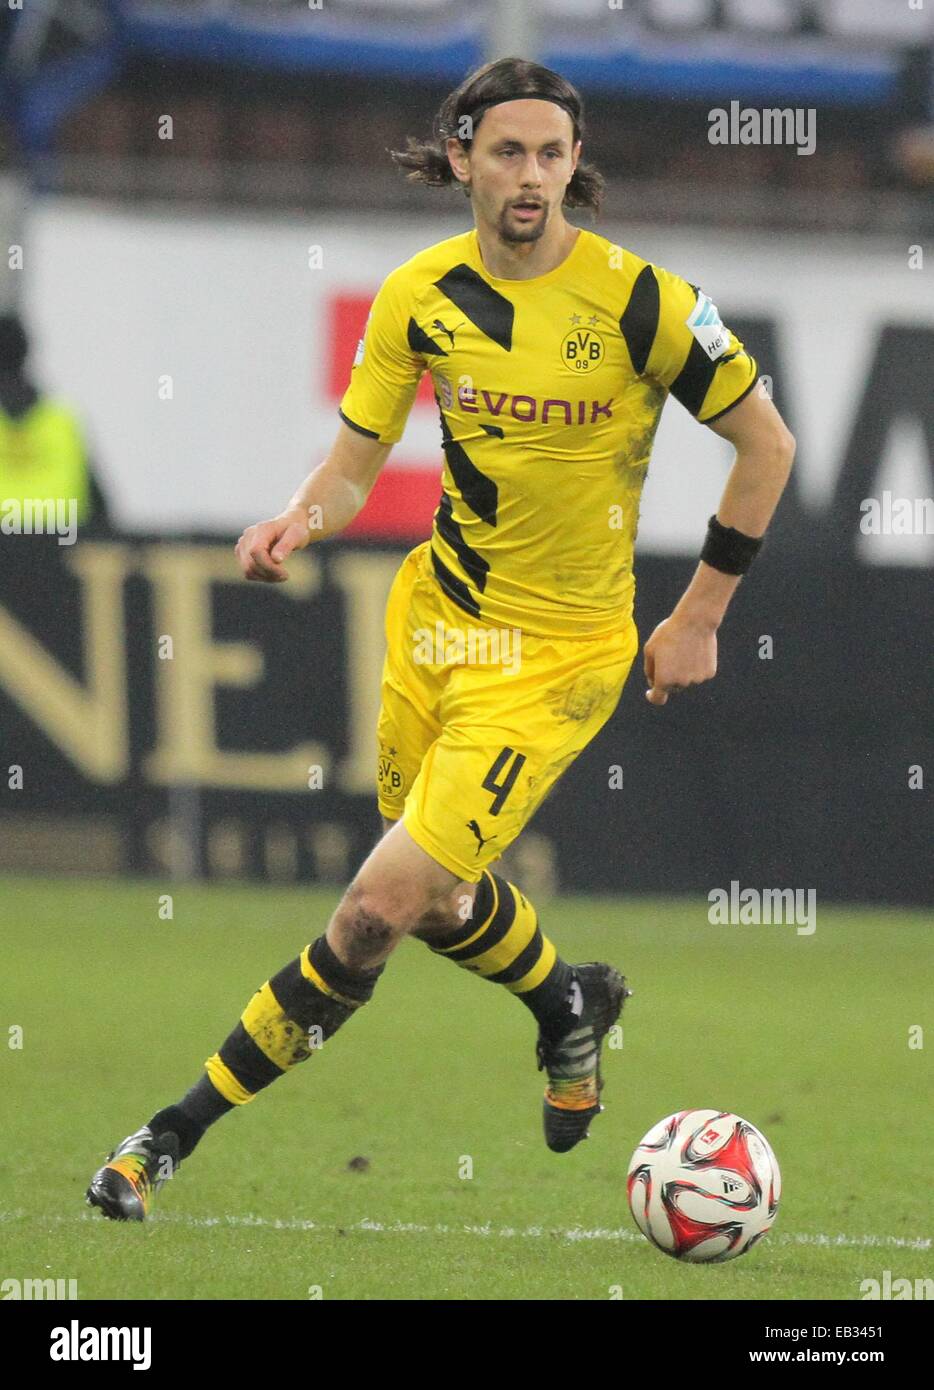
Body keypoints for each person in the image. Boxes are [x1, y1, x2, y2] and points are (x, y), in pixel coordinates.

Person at [86, 57, 794, 1221]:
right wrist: (296, 519)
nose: (532, 176)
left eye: (553, 154)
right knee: (442, 898)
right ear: (460, 156)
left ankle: (164, 1139)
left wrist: (698, 614)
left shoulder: (645, 303)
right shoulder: (418, 295)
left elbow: (767, 446)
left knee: (373, 909)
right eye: (508, 152)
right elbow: (357, 462)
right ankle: (566, 1002)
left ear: (575, 163)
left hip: (560, 655)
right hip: (434, 630)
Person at [0, 311, 111, 536]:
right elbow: (101, 510)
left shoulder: (62, 421)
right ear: (28, 352)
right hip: (58, 553)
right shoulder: (62, 421)